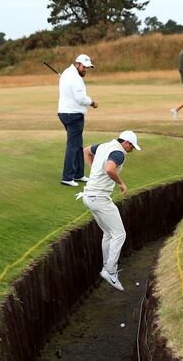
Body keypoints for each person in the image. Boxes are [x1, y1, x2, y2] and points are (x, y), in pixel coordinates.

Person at [79, 130, 142, 291]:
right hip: (99, 198)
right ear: (126, 142)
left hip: (89, 197)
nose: (131, 150)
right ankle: (110, 271)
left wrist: (93, 170)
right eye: (132, 146)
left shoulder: (103, 146)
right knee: (120, 234)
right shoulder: (119, 153)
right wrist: (121, 183)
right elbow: (109, 169)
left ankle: (106, 268)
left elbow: (86, 151)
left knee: (109, 233)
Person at [58, 54, 97, 187]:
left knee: (78, 144)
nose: (85, 69)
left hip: (65, 113)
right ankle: (67, 177)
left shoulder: (67, 73)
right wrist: (92, 102)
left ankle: (79, 174)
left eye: (87, 67)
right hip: (73, 115)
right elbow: (81, 98)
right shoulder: (74, 78)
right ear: (78, 64)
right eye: (84, 67)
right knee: (73, 146)